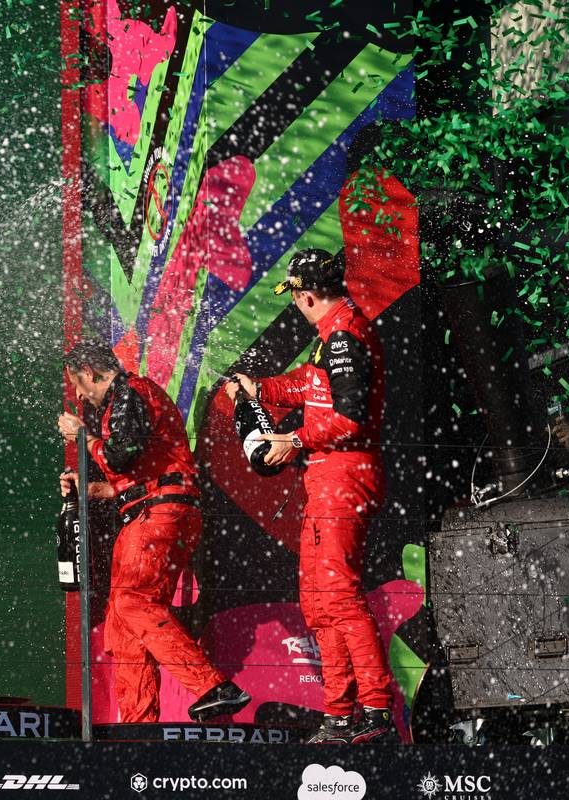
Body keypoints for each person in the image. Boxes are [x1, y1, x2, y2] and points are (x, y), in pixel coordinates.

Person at [225, 248, 397, 744]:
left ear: (305, 294)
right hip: (328, 479)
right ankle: (340, 715)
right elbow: (307, 385)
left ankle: (377, 714)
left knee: (339, 598)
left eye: (295, 296)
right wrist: (260, 390)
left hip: (345, 476)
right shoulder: (331, 336)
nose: (295, 304)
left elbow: (350, 418)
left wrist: (293, 440)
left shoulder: (344, 336)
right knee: (319, 604)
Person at [58, 340, 250, 723]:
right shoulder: (122, 404)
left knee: (133, 603)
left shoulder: (132, 391)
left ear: (93, 372)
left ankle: (214, 686)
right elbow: (130, 476)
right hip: (148, 512)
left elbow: (120, 455)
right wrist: (91, 489)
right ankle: (138, 727)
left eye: (78, 384)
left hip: (161, 514)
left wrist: (84, 438)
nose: (79, 394)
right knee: (124, 624)